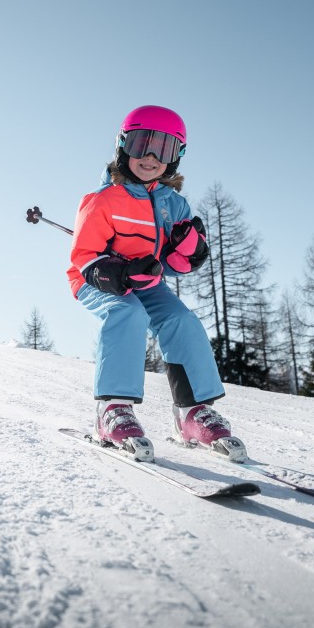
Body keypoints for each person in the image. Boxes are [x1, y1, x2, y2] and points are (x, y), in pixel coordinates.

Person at [66, 105, 247, 463]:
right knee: (127, 313)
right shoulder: (102, 201)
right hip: (98, 280)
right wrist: (117, 274)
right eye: (140, 144)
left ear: (175, 157)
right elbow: (84, 256)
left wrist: (189, 252)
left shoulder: (174, 204)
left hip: (147, 283)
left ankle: (192, 413)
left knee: (181, 320)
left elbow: (174, 264)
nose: (150, 156)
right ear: (123, 146)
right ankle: (112, 410)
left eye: (162, 149)